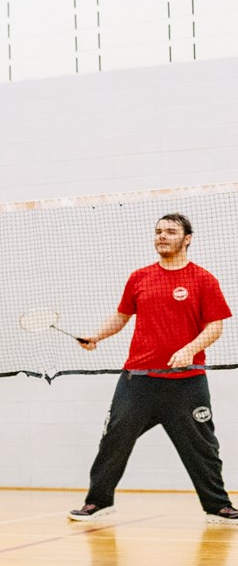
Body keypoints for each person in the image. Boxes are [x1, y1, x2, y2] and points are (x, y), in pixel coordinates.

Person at [71, 213, 238, 525]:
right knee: (113, 441)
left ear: (187, 239)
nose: (162, 236)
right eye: (158, 231)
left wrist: (189, 349)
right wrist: (97, 336)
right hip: (138, 381)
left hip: (187, 382)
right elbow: (121, 316)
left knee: (202, 448)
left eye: (170, 232)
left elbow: (215, 327)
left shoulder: (203, 279)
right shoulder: (139, 277)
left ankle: (218, 507)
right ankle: (98, 502)